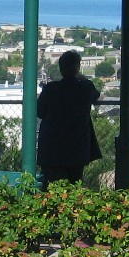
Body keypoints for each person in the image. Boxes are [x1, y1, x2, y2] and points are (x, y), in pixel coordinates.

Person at [37, 50, 101, 185]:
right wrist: (82, 79)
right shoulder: (85, 88)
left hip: (52, 146)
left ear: (61, 68)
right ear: (77, 67)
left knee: (51, 186)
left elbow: (40, 112)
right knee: (75, 184)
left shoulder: (51, 89)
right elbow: (95, 95)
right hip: (77, 146)